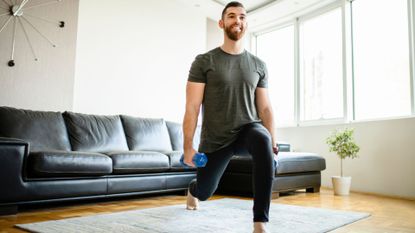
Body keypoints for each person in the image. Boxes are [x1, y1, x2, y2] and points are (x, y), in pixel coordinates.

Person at [182, 2, 278, 233]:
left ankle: (260, 222)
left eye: (243, 17)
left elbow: (265, 109)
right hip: (216, 138)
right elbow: (192, 107)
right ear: (222, 23)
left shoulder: (258, 65)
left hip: (247, 130)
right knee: (205, 192)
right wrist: (188, 147)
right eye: (232, 16)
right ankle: (193, 190)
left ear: (246, 23)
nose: (238, 21)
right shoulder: (204, 61)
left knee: (262, 138)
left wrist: (273, 143)